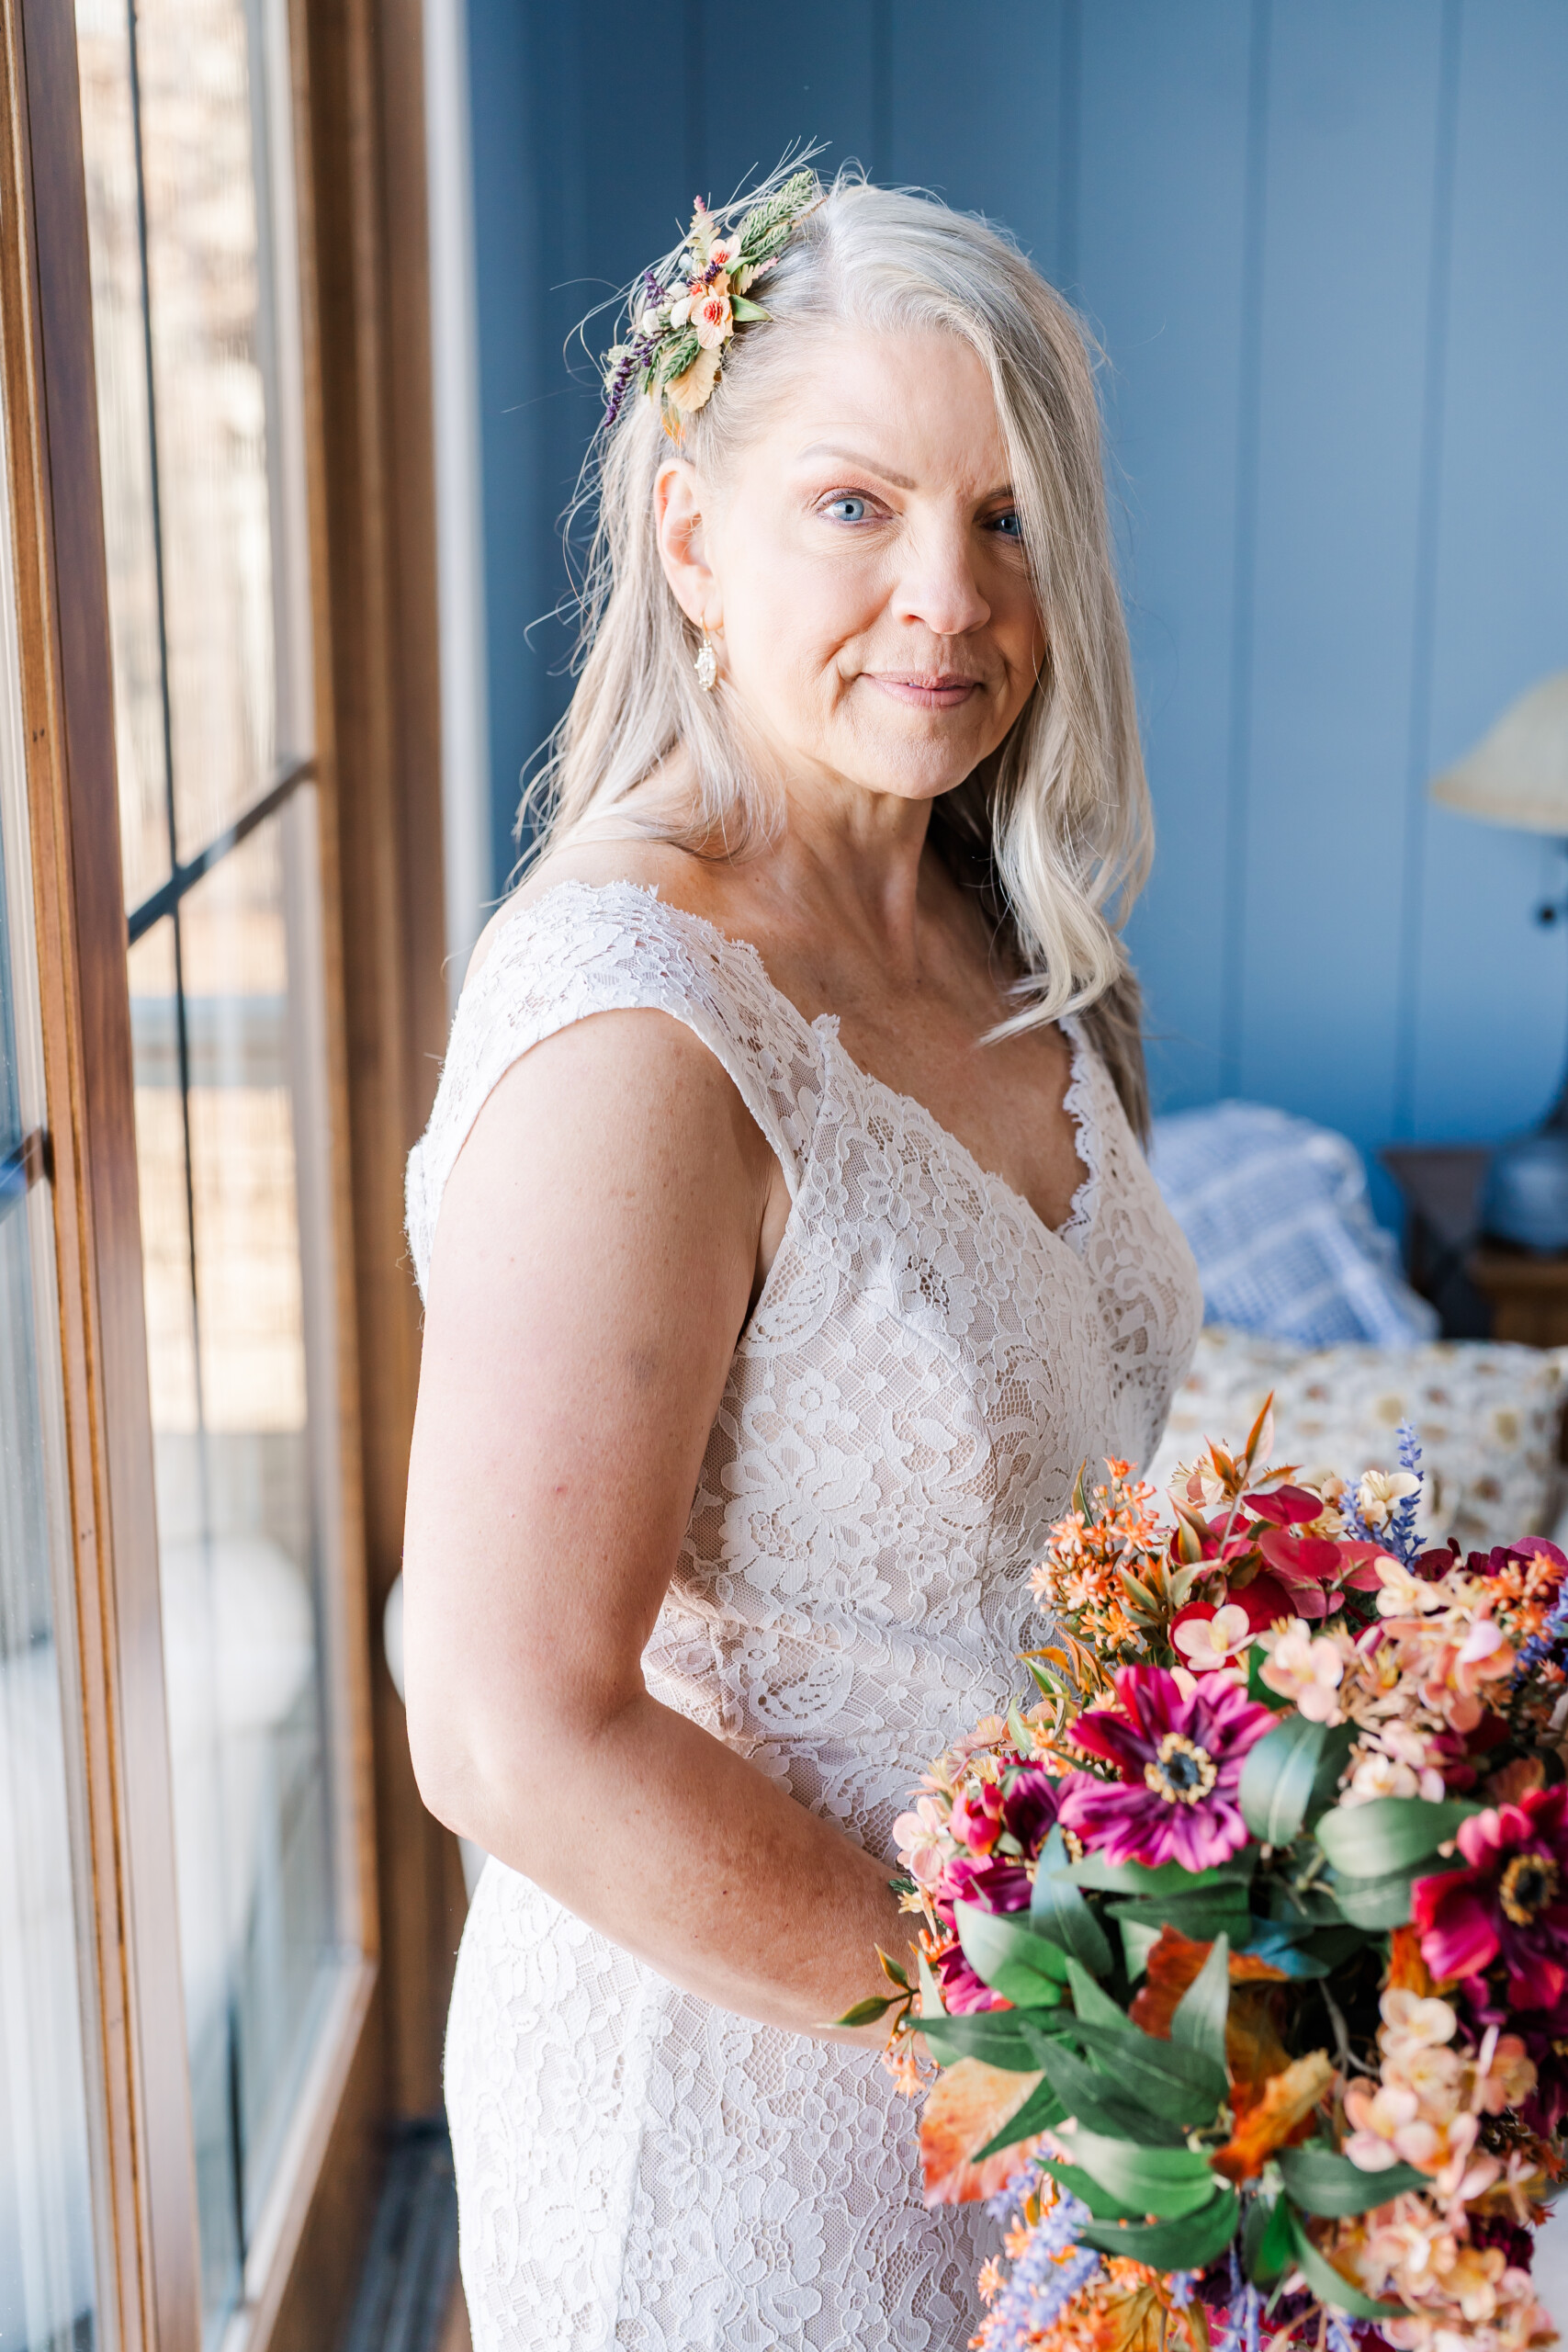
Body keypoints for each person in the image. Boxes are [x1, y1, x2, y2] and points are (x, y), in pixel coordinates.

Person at [401, 164, 1202, 2351]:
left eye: (1005, 516)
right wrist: (1002, 2034)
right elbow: (505, 1720)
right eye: (853, 504)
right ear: (689, 533)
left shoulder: (1022, 939)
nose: (944, 596)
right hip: (743, 2144)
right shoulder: (636, 1031)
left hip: (1056, 2083)